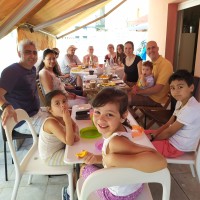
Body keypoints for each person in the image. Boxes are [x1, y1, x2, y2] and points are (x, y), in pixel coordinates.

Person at [79, 87, 167, 199]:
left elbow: (160, 162)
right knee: (92, 164)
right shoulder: (123, 128)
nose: (101, 119)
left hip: (117, 196)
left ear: (123, 116)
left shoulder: (116, 141)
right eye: (97, 112)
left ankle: (68, 193)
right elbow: (121, 154)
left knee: (84, 168)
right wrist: (97, 158)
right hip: (135, 187)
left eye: (109, 114)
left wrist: (112, 159)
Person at [146, 70, 200, 158]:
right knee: (143, 134)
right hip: (172, 138)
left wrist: (152, 138)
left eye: (180, 87)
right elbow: (168, 124)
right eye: (172, 88)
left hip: (176, 147)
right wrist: (154, 133)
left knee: (143, 147)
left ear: (191, 88)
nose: (176, 91)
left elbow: (170, 132)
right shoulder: (180, 102)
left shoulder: (191, 108)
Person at [0, 39, 48, 134]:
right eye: (27, 52)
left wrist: (46, 103)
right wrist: (6, 106)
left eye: (35, 53)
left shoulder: (33, 69)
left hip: (36, 112)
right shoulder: (11, 72)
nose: (32, 56)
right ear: (19, 54)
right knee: (58, 128)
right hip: (21, 120)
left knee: (64, 114)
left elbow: (35, 88)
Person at [38, 90, 80, 165]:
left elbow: (74, 126)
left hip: (62, 147)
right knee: (80, 158)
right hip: (51, 156)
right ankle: (78, 172)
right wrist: (67, 122)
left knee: (80, 149)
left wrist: (74, 134)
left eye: (64, 101)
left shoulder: (63, 115)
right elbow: (70, 142)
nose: (63, 105)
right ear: (50, 109)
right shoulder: (51, 123)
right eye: (57, 103)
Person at [129, 41, 173, 107]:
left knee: (123, 100)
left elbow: (157, 89)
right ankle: (132, 116)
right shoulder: (150, 64)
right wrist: (136, 87)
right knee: (121, 93)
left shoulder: (166, 64)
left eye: (153, 47)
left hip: (156, 99)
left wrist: (138, 92)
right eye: (148, 49)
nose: (151, 50)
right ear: (146, 52)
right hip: (147, 94)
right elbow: (142, 79)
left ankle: (132, 116)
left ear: (158, 49)